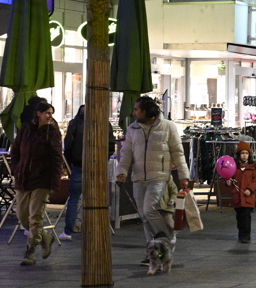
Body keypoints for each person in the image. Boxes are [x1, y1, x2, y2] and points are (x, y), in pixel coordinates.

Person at [116, 96, 191, 264]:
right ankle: (154, 250)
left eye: (137, 109)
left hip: (158, 177)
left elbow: (178, 153)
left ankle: (168, 237)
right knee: (143, 214)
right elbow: (126, 152)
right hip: (138, 178)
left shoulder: (168, 127)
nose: (134, 112)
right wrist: (121, 171)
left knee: (149, 210)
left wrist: (184, 176)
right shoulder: (133, 128)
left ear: (146, 111)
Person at [10, 101, 62, 266]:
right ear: (38, 113)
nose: (50, 116)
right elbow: (16, 150)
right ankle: (45, 238)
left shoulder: (52, 133)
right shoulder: (26, 129)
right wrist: (16, 168)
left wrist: (54, 182)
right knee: (22, 216)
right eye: (47, 112)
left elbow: (56, 158)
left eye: (51, 113)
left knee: (35, 217)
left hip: (42, 179)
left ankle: (30, 250)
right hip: (23, 178)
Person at [60, 104, 116, 240]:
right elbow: (111, 144)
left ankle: (68, 231)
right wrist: (104, 158)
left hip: (79, 165)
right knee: (97, 198)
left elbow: (68, 144)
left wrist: (70, 160)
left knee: (74, 198)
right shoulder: (104, 123)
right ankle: (98, 229)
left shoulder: (75, 123)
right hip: (98, 166)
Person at [228, 141, 256, 243]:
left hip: (248, 197)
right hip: (237, 197)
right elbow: (229, 178)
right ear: (238, 155)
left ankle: (245, 236)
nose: (244, 155)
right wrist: (227, 182)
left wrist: (250, 189)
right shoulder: (234, 168)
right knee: (239, 217)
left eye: (246, 153)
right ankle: (241, 233)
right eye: (242, 153)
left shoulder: (252, 168)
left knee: (246, 217)